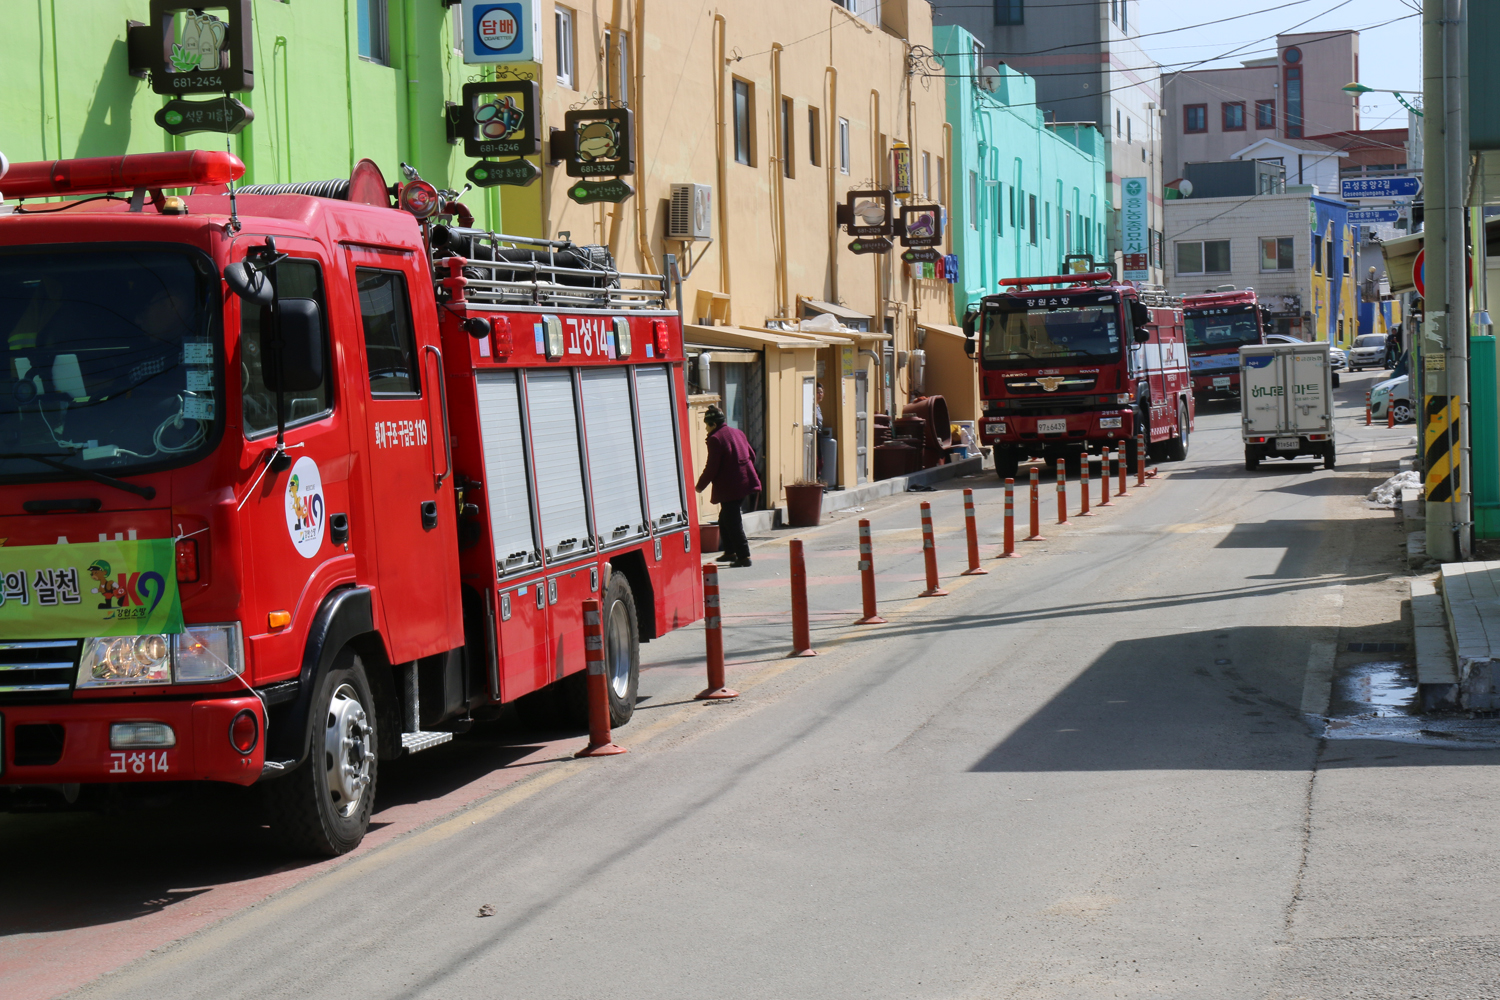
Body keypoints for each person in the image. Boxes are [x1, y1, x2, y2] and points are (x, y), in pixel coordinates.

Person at [695, 406, 761, 568]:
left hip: (731, 486)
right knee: (725, 518)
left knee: (732, 521)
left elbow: (712, 467)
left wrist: (699, 486)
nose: (706, 429)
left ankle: (744, 556)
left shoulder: (715, 439)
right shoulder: (738, 432)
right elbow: (752, 455)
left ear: (713, 424)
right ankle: (730, 552)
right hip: (745, 482)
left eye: (707, 425)